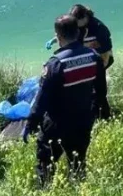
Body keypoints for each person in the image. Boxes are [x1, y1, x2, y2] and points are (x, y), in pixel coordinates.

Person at [25, 14, 109, 187]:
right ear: (78, 32)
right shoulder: (94, 57)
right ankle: (79, 190)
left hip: (56, 124)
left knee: (46, 163)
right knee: (77, 162)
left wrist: (31, 123)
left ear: (58, 36)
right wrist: (93, 111)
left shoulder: (55, 64)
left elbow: (42, 99)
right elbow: (101, 91)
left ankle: (44, 191)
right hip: (83, 120)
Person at [68, 4, 115, 70]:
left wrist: (100, 70)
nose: (74, 24)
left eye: (76, 21)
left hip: (102, 57)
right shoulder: (76, 26)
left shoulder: (99, 28)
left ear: (84, 17)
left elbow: (105, 54)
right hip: (85, 58)